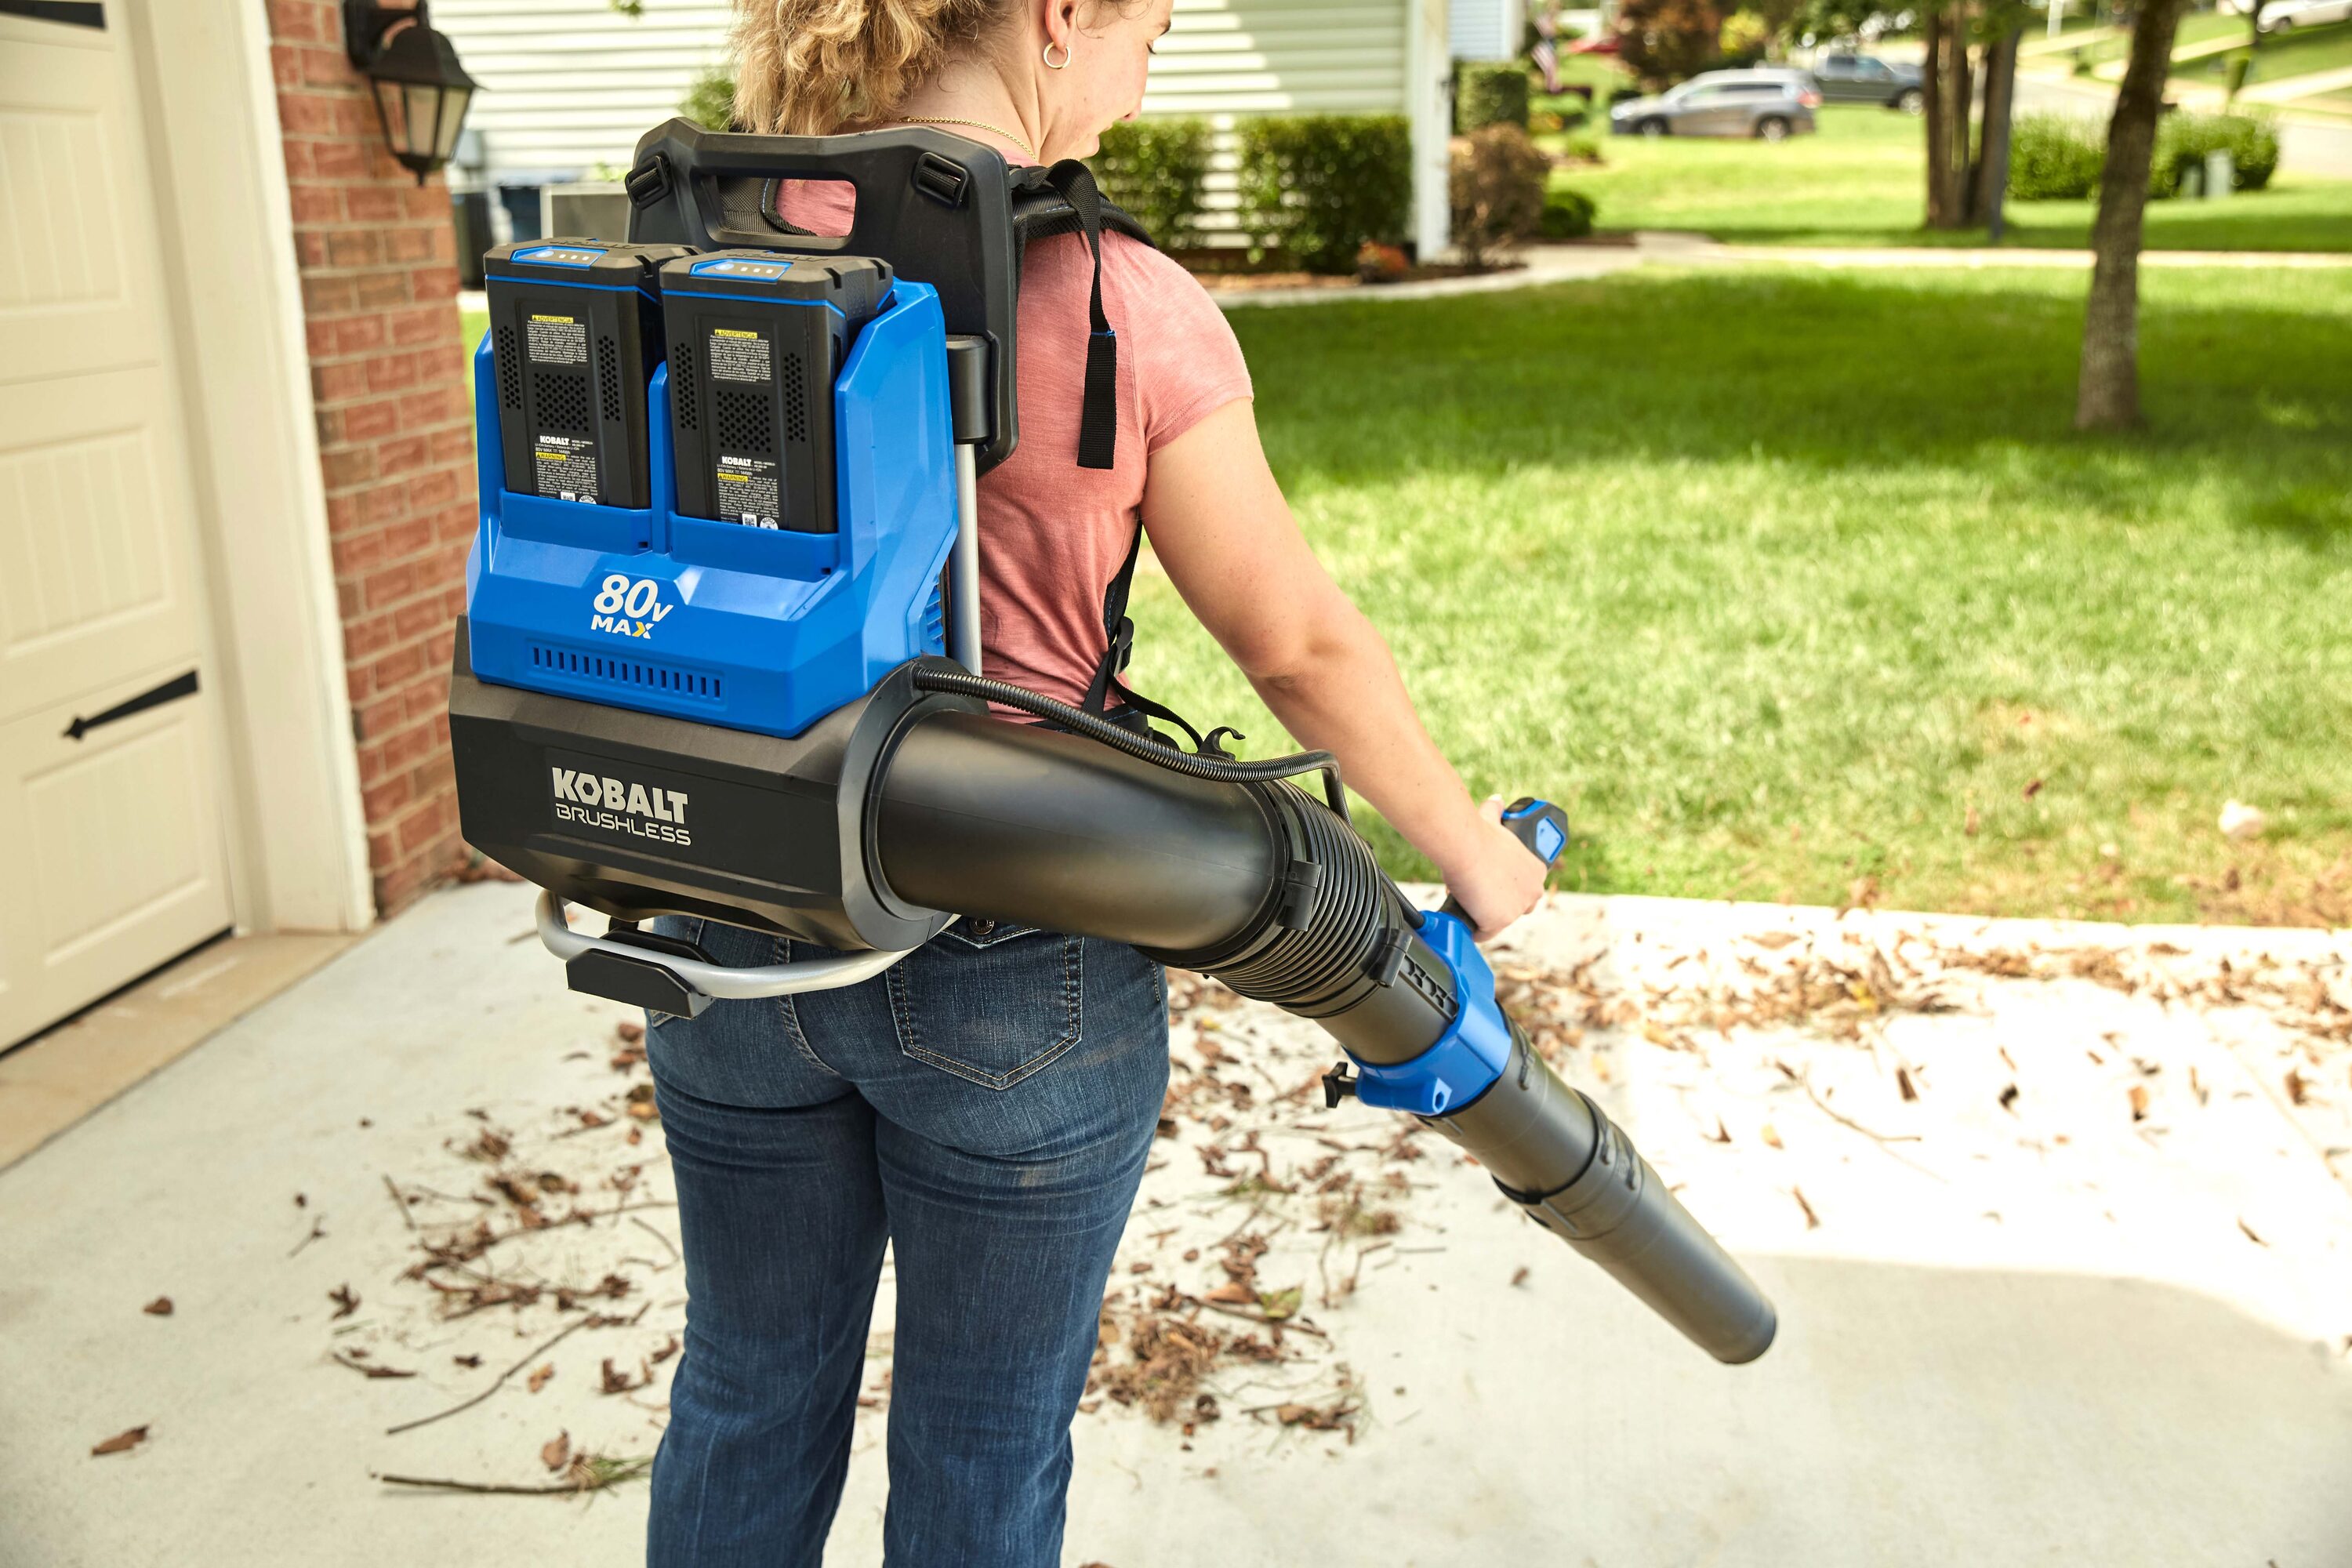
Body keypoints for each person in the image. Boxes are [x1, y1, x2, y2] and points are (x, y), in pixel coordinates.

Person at [644, 0, 1548, 1562]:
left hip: (730, 907)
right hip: (1013, 950)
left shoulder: (716, 246)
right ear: (1062, 18)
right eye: (1151, 26)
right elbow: (1299, 650)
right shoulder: (1124, 301)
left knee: (743, 1383)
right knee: (983, 1438)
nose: (1148, 69)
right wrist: (1477, 857)